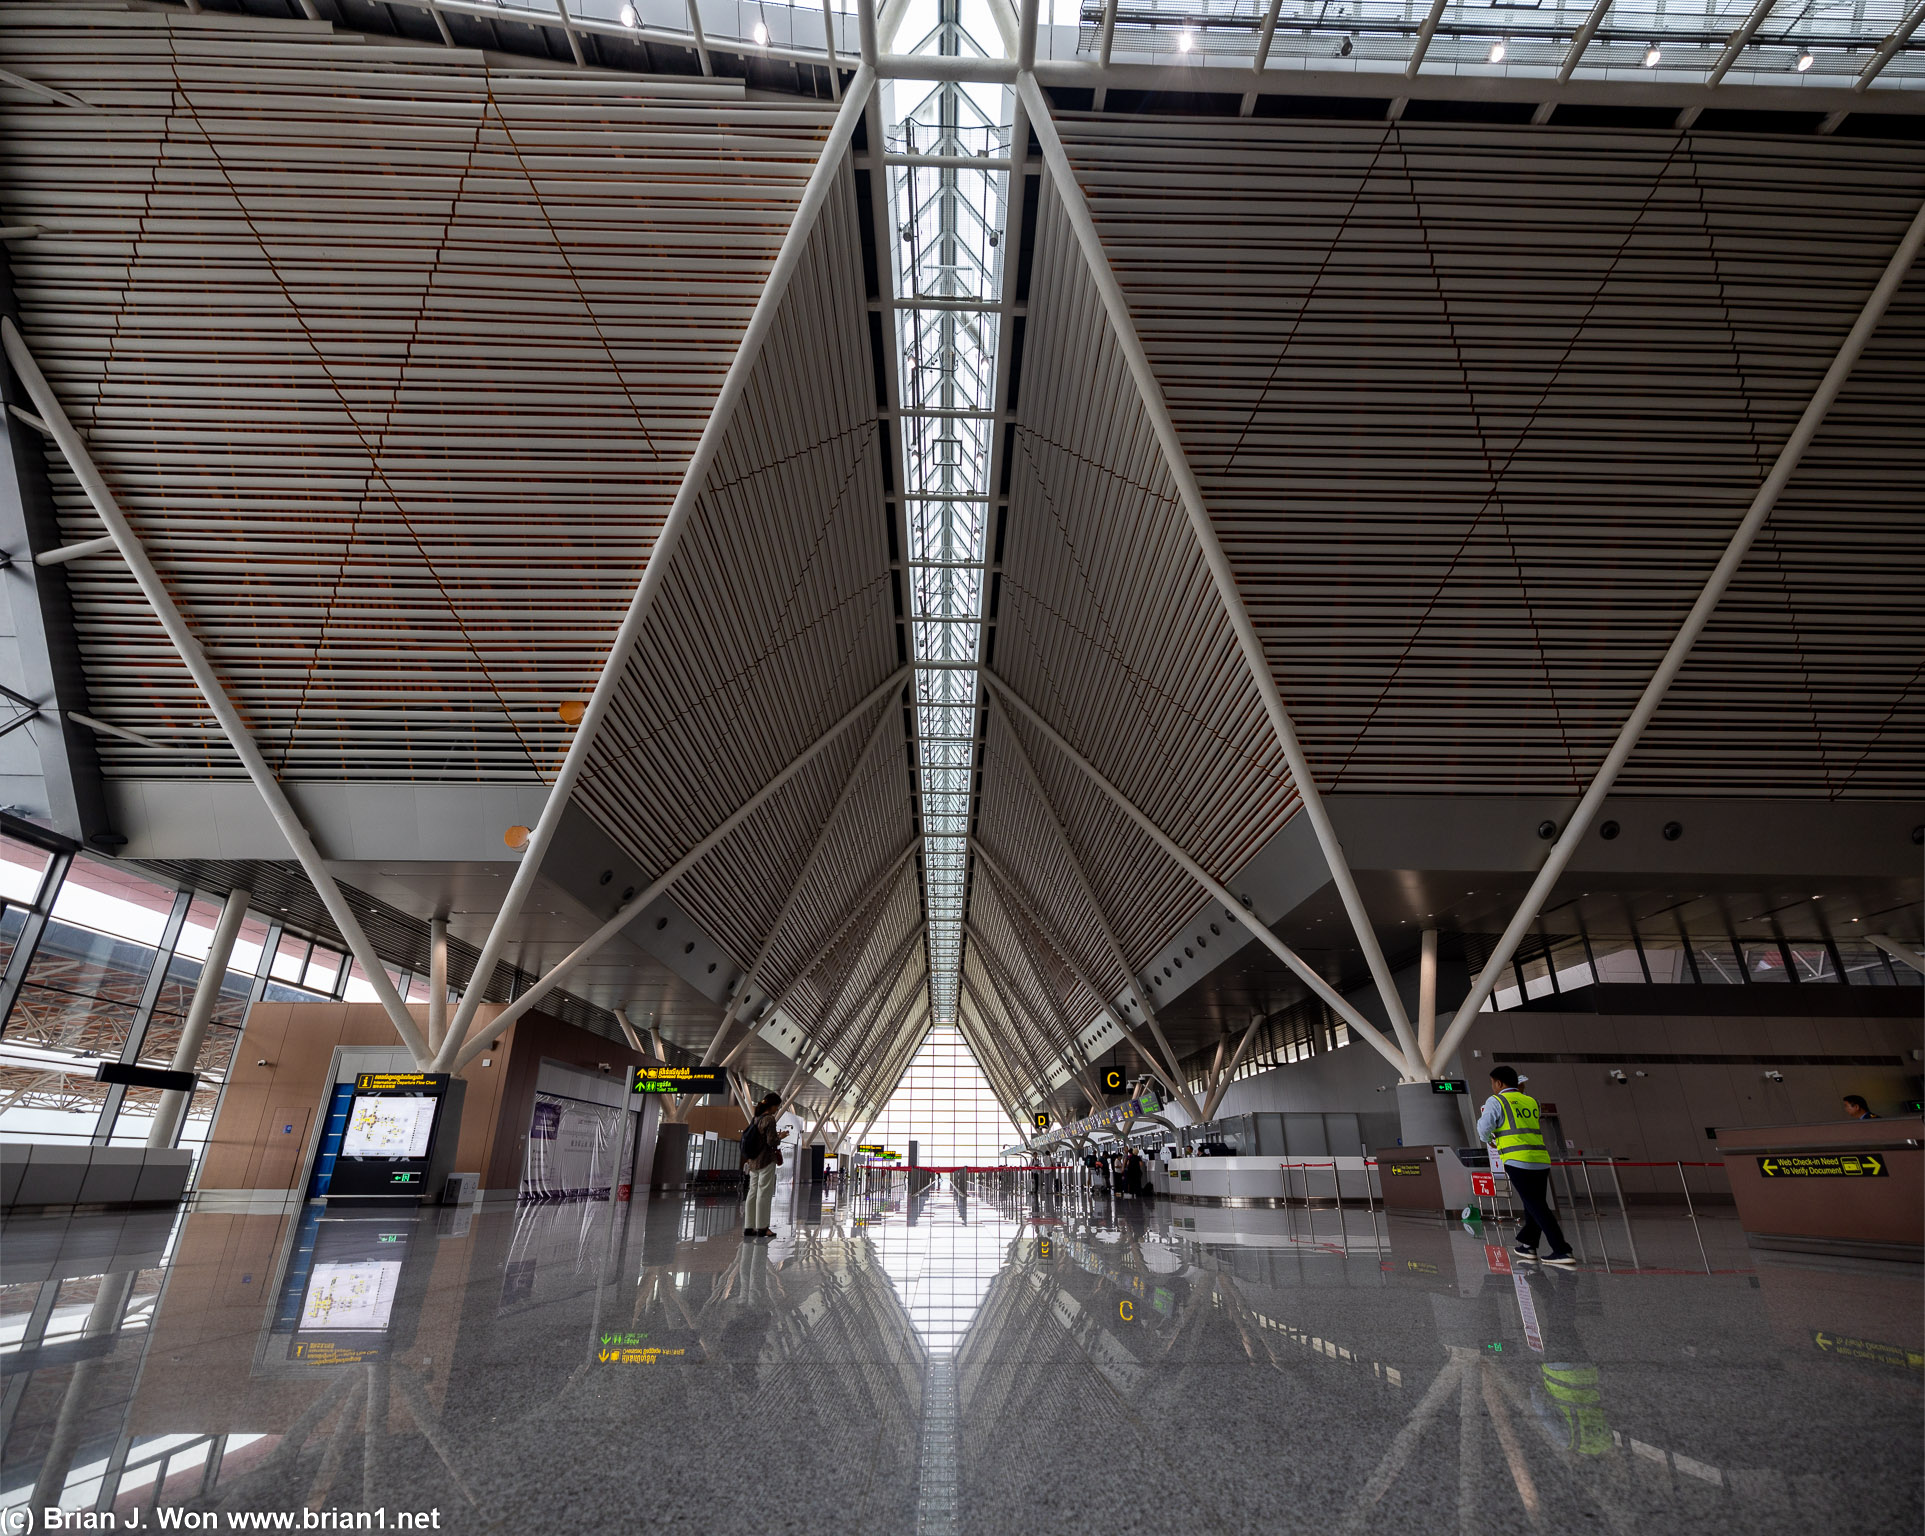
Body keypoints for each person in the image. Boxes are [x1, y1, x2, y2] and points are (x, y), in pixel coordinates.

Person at [1476, 1065, 1575, 1266]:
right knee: (1533, 1203)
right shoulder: (1531, 1101)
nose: (1493, 1087)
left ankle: (1561, 1249)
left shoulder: (1497, 1100)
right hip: (1540, 1159)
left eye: (1492, 1083)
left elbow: (1484, 1126)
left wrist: (1487, 1138)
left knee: (1537, 1206)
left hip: (1517, 1159)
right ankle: (1529, 1245)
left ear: (1499, 1083)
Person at [741, 1092, 788, 1239]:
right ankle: (763, 1228)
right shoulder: (769, 1119)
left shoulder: (755, 1119)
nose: (777, 1109)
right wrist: (780, 1137)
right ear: (772, 1106)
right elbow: (771, 1142)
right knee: (764, 1193)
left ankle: (749, 1227)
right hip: (766, 1160)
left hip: (753, 1161)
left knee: (752, 1192)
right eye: (777, 1106)